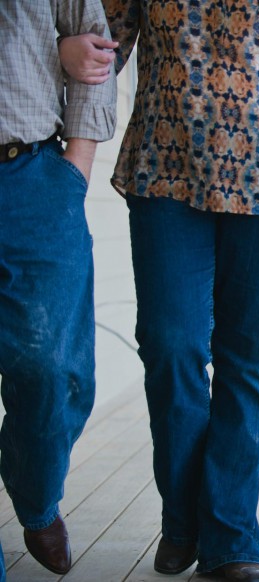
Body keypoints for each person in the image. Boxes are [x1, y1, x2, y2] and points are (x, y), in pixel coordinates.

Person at [92, 2, 259, 581]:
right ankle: (184, 517)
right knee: (170, 344)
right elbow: (102, 41)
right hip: (163, 166)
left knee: (248, 359)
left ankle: (230, 537)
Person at [0, 2, 117, 578]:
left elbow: (92, 37)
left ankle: (35, 493)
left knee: (55, 369)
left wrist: (77, 165)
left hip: (35, 178)